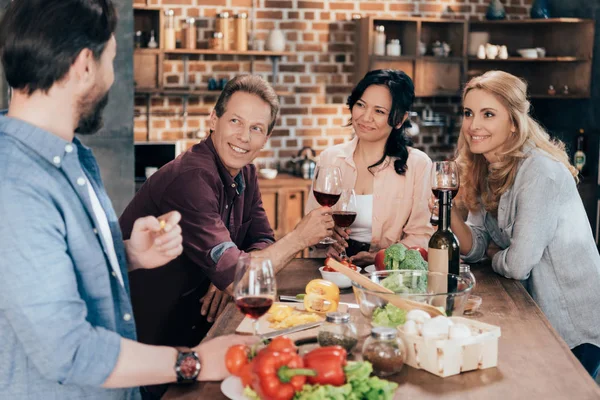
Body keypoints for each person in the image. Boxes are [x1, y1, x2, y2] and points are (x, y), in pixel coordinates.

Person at [0, 1, 256, 399]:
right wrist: (197, 360)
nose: (111, 76)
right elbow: (69, 351)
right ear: (86, 65)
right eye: (112, 61)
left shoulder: (71, 157)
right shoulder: (14, 183)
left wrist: (128, 254)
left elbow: (49, 274)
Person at [119, 74, 334, 349]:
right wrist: (299, 238)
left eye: (256, 128)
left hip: (195, 328)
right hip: (147, 338)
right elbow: (239, 279)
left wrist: (227, 275)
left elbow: (262, 239)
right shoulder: (191, 178)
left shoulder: (247, 172)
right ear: (213, 120)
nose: (244, 137)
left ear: (266, 138)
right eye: (236, 121)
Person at [451, 70, 600, 379]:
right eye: (469, 113)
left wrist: (495, 254)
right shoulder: (484, 166)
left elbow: (518, 265)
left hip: (573, 325)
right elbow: (476, 244)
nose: (473, 125)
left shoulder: (539, 172)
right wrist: (446, 213)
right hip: (533, 313)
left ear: (514, 122)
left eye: (488, 114)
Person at [306, 69, 434, 266]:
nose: (366, 117)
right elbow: (310, 227)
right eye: (361, 105)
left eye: (379, 111)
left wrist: (380, 258)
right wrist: (326, 240)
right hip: (332, 268)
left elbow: (422, 236)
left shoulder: (418, 165)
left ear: (399, 119)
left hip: (389, 274)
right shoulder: (330, 159)